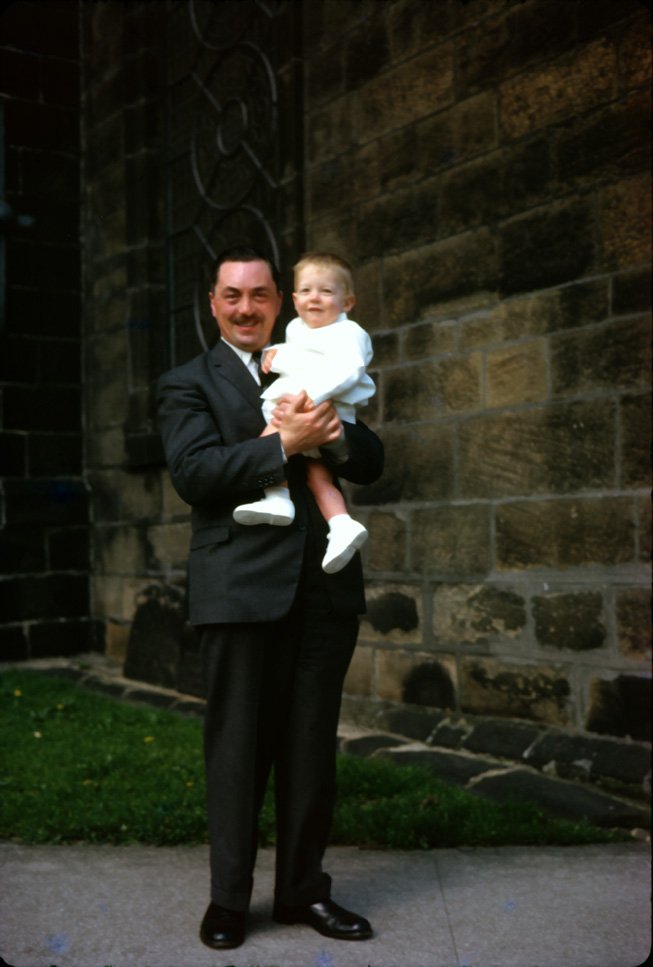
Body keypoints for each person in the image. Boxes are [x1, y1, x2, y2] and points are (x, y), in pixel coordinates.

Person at [157, 245, 383, 951]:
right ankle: (229, 901)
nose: (246, 308)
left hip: (323, 589)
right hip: (238, 591)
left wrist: (336, 434)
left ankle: (301, 893)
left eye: (259, 295)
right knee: (236, 750)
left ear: (277, 302)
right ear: (213, 302)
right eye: (232, 295)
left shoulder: (314, 357)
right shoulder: (187, 382)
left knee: (311, 749)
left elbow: (372, 460)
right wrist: (284, 442)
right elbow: (195, 474)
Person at [233, 252, 376, 575]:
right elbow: (301, 355)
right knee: (315, 472)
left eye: (326, 291)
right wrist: (275, 354)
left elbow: (349, 369)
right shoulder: (298, 329)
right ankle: (341, 524)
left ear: (347, 302)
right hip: (300, 412)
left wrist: (310, 399)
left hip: (322, 411)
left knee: (267, 445)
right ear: (295, 300)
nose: (315, 298)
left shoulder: (349, 333)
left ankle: (277, 497)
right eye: (308, 290)